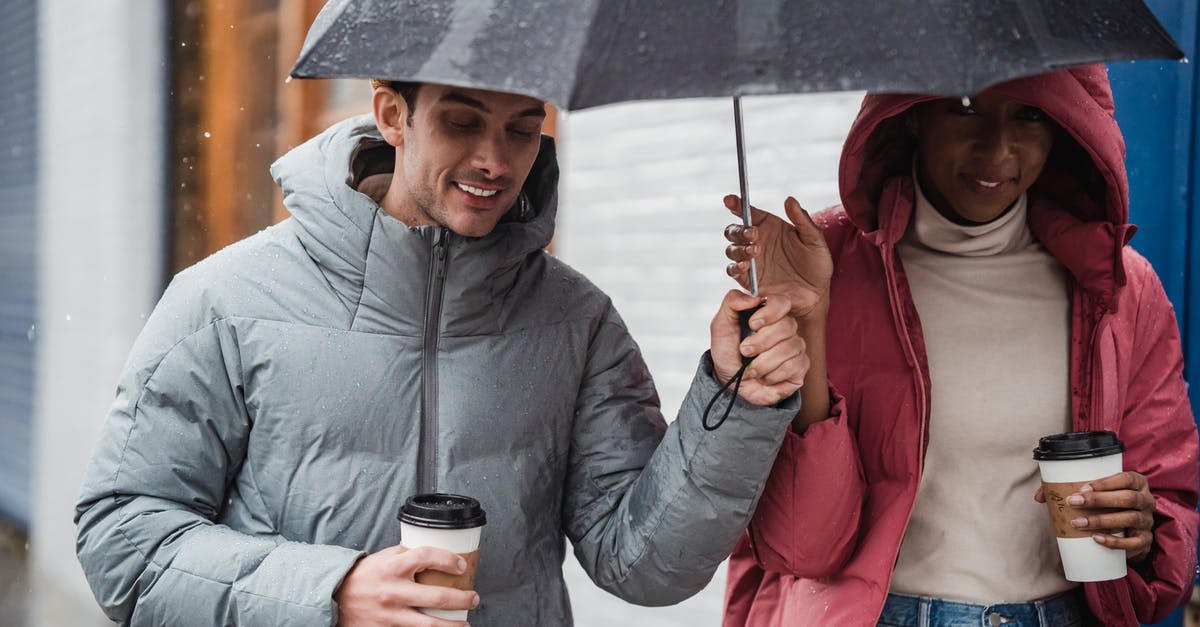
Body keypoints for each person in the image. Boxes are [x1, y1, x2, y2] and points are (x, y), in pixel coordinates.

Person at [73, 78, 810, 626]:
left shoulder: (576, 321)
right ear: (393, 114)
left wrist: (735, 399)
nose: (495, 160)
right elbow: (122, 536)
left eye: (523, 129)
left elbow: (642, 564)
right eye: (462, 122)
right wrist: (331, 592)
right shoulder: (225, 301)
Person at [720, 64, 1199, 626]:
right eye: (966, 106)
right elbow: (803, 545)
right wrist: (810, 320)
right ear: (913, 113)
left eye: (1031, 115)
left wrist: (1142, 530)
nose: (998, 150)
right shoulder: (820, 263)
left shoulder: (1119, 288)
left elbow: (1170, 499)